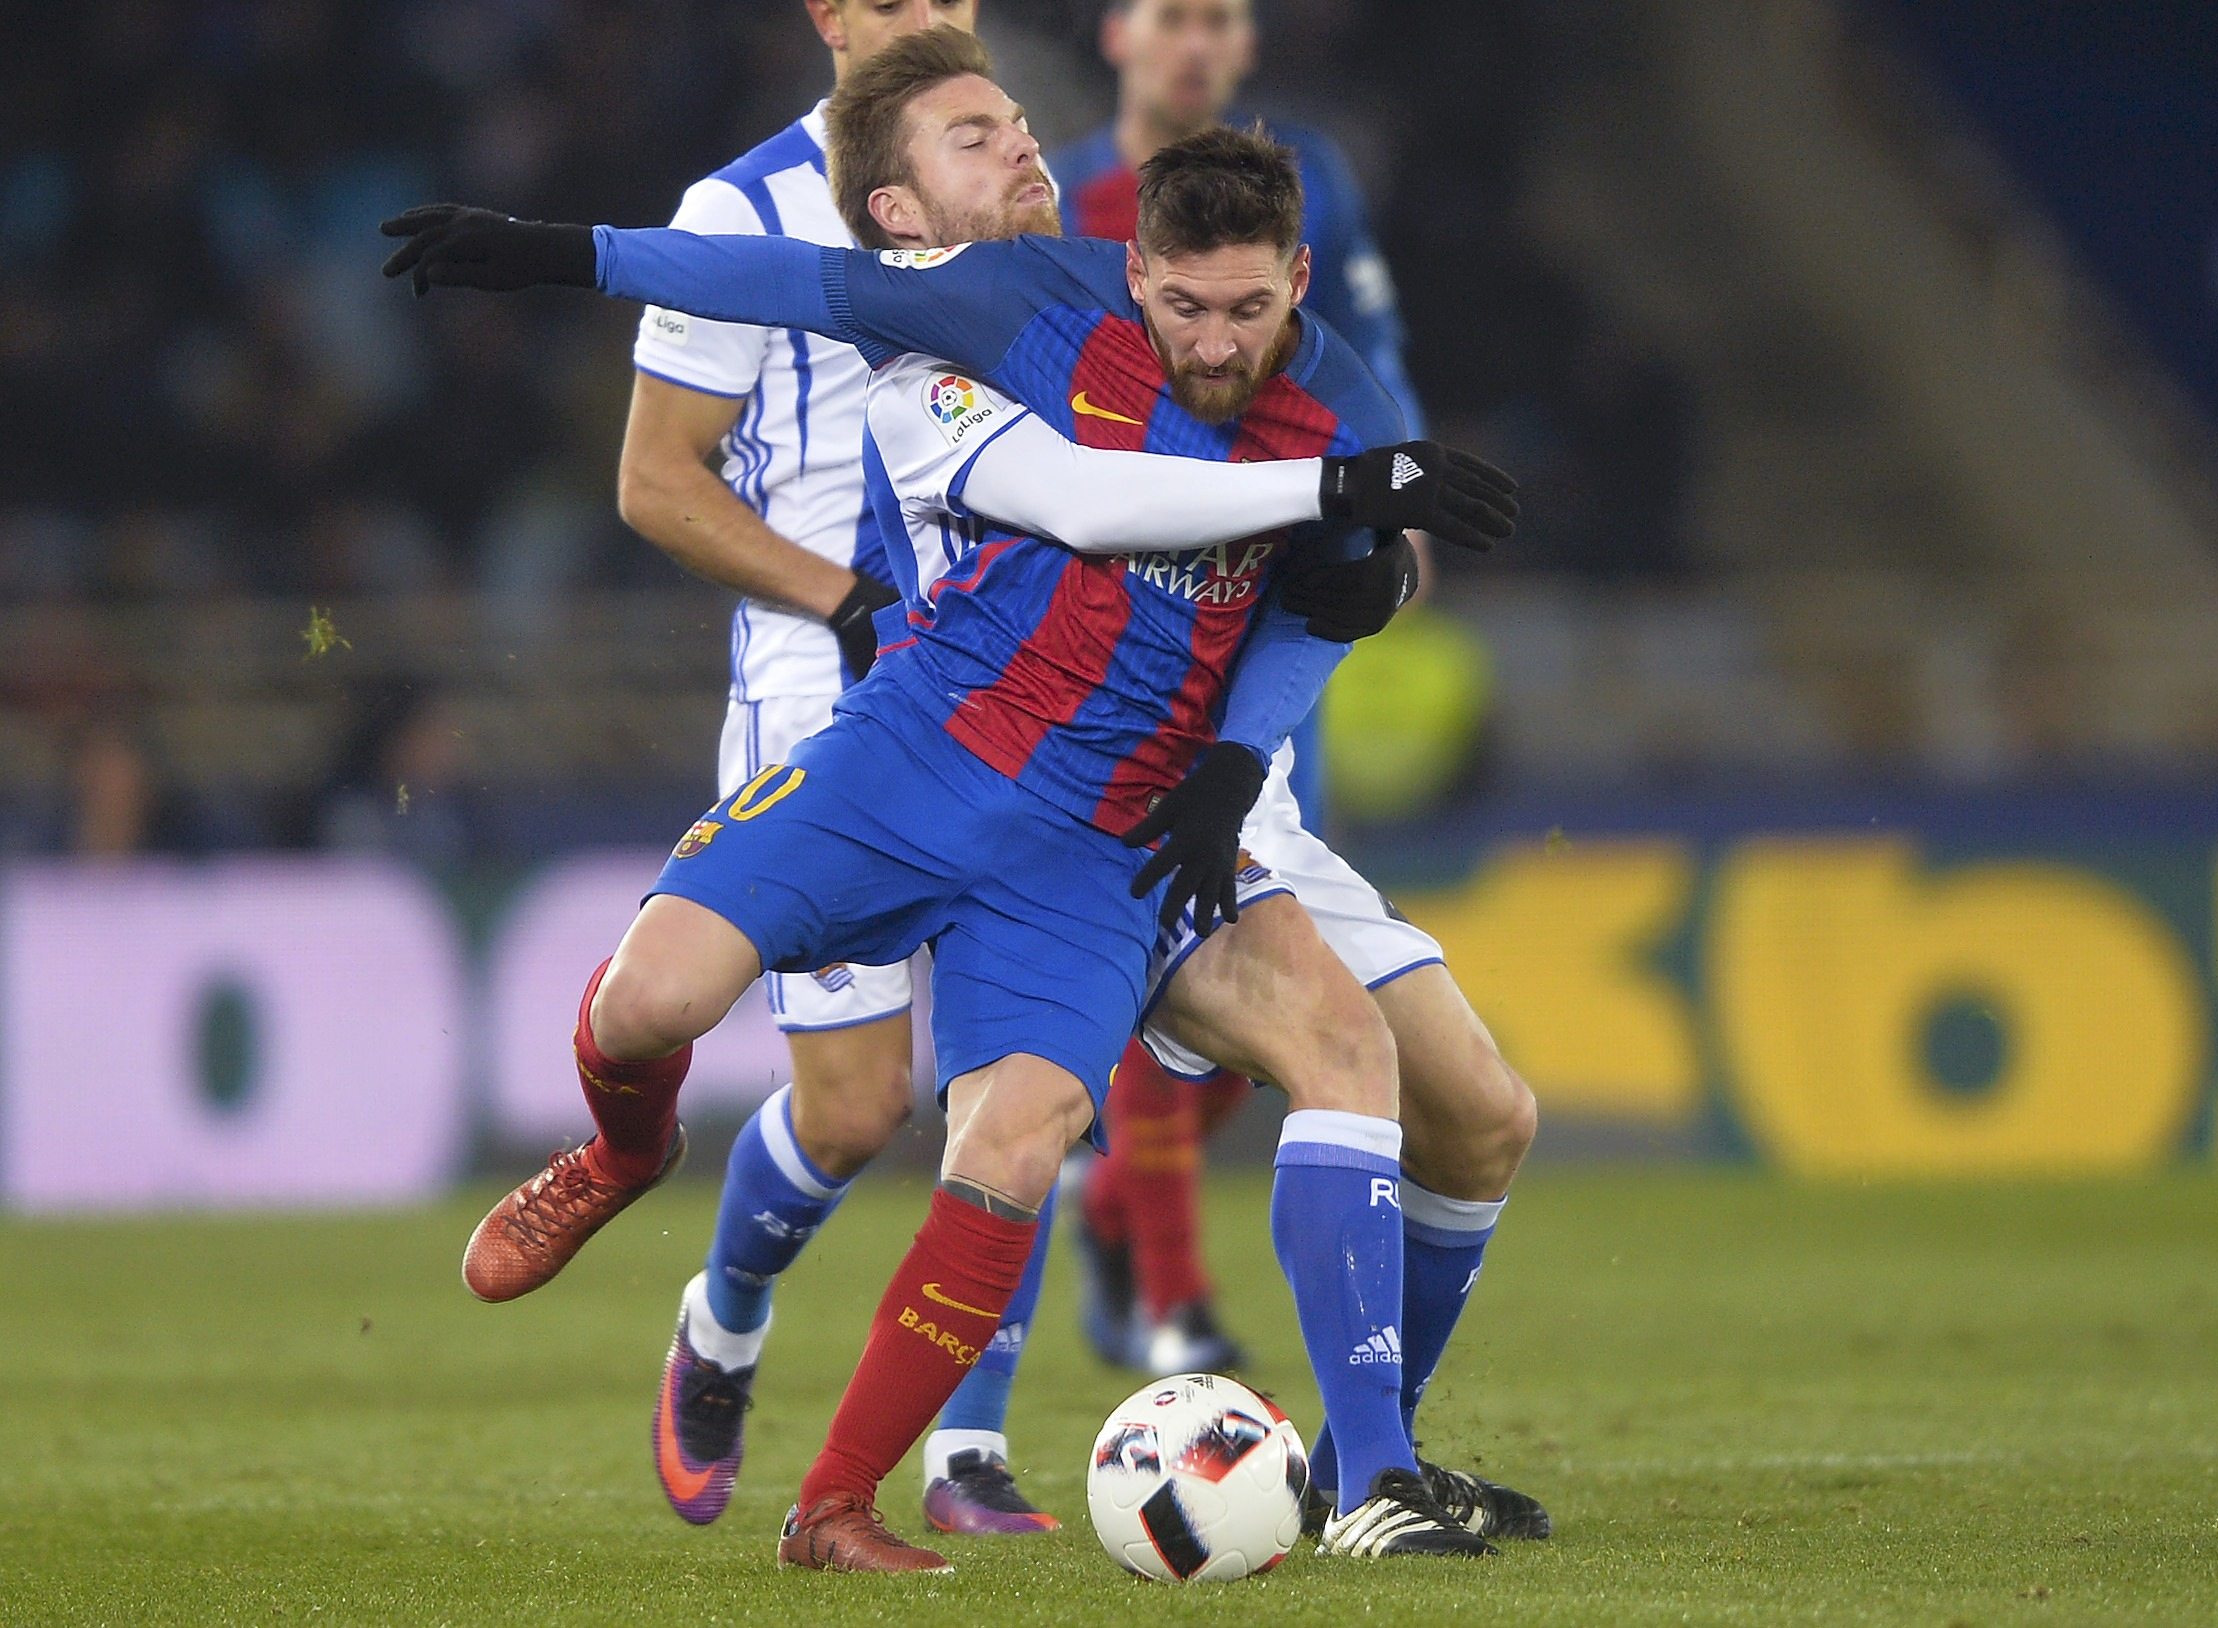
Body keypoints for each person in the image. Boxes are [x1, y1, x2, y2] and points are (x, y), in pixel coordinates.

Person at [382, 34, 1521, 1569]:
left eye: (1017, 123)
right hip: (922, 745)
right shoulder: (969, 321)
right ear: (904, 206)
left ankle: (863, 1497)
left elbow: (1316, 608)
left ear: (1299, 281)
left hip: (1123, 813)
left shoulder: (1285, 380)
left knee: (1053, 1125)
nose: (1213, 338)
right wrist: (558, 255)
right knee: (666, 1006)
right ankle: (632, 1161)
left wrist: (1252, 740)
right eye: (974, 132)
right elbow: (1065, 485)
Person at [604, 0, 1056, 1537]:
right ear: (829, 16)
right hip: (828, 670)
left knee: (1024, 1069)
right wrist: (843, 599)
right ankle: (722, 1322)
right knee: (859, 1108)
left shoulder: (1014, 181)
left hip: (1014, 659)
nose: (933, 16)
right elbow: (656, 481)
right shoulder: (735, 213)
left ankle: (970, 1449)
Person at [1050, 0, 1442, 1377]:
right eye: (1173, 17)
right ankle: (1171, 1299)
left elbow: (1368, 364)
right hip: (1132, 635)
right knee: (1173, 957)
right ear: (1118, 36)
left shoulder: (1313, 180)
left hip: (1270, 613)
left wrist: (1402, 510)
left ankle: (1116, 1206)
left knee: (1264, 1009)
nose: (1197, 45)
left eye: (1220, 17)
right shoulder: (1065, 197)